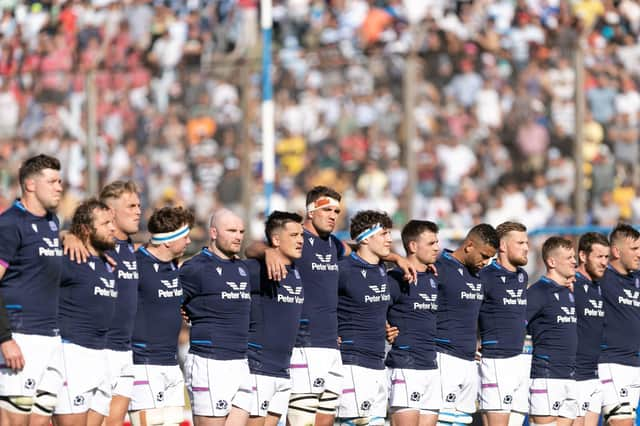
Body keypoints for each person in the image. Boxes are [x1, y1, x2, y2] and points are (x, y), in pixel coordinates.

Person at [246, 186, 415, 426]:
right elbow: (250, 248)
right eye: (327, 209)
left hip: (331, 346)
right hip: (305, 343)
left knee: (325, 420)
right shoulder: (296, 240)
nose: (333, 215)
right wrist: (267, 253)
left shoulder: (334, 245)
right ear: (311, 212)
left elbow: (361, 246)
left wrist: (396, 257)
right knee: (302, 419)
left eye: (336, 210)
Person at [0, 154, 64, 426]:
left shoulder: (53, 222)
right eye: (52, 181)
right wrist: (5, 339)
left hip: (51, 337)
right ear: (30, 185)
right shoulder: (10, 223)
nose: (59, 186)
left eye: (60, 180)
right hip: (21, 337)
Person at [181, 209, 253, 426]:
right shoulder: (195, 268)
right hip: (210, 361)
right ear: (213, 232)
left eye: (241, 231)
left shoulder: (242, 267)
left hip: (240, 360)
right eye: (231, 230)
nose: (238, 236)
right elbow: (165, 302)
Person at [53, 199, 117, 426]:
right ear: (86, 230)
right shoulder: (69, 257)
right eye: (106, 223)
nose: (113, 227)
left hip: (101, 354)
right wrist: (65, 235)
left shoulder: (107, 261)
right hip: (72, 353)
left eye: (112, 222)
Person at [128, 206, 194, 426]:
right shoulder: (135, 263)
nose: (188, 241)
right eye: (184, 237)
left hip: (171, 363)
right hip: (144, 364)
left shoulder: (176, 266)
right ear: (168, 241)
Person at [434, 224, 499, 426]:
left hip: (469, 359)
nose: (486, 262)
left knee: (462, 419)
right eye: (484, 255)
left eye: (490, 258)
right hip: (443, 356)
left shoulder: (478, 275)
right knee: (442, 420)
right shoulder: (439, 267)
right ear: (469, 245)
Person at [245, 211, 305, 426]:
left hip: (282, 369)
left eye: (302, 235)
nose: (300, 240)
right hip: (258, 367)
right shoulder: (258, 269)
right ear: (276, 240)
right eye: (294, 235)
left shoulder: (297, 270)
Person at [335, 210, 394, 426]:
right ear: (367, 238)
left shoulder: (382, 269)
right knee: (356, 422)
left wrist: (388, 326)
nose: (389, 239)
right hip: (353, 363)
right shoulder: (344, 269)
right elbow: (317, 302)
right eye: (384, 234)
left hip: (378, 362)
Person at [385, 220, 441, 426]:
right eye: (431, 243)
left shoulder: (434, 277)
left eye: (437, 242)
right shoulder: (396, 278)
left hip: (430, 365)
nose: (437, 247)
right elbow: (374, 309)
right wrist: (386, 328)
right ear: (413, 246)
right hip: (406, 365)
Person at [478, 222, 529, 426]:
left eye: (526, 242)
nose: (526, 247)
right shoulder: (485, 276)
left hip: (520, 359)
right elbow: (468, 310)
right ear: (503, 246)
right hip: (496, 360)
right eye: (520, 242)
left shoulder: (522, 276)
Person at [526, 237, 578, 426]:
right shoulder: (538, 292)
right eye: (569, 257)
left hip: (570, 376)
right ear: (552, 262)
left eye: (574, 256)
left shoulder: (570, 292)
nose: (574, 261)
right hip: (547, 376)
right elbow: (517, 327)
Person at [598, 224, 640, 426]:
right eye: (634, 249)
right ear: (616, 251)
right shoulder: (600, 278)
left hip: (634, 362)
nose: (639, 254)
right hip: (611, 361)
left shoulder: (638, 279)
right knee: (622, 423)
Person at [574, 232, 609, 426]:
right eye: (599, 256)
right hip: (574, 375)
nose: (604, 262)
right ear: (583, 256)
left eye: (606, 257)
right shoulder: (570, 284)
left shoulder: (600, 286)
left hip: (594, 373)